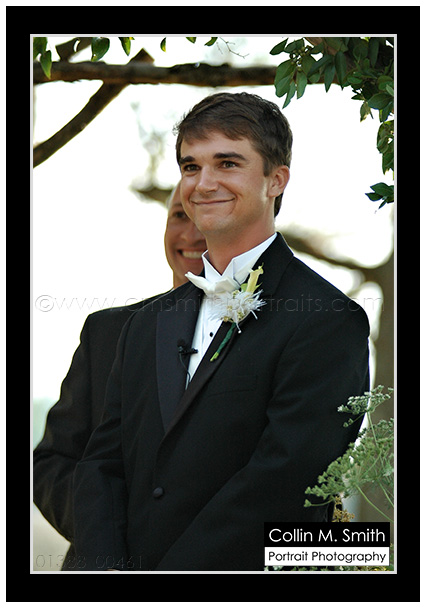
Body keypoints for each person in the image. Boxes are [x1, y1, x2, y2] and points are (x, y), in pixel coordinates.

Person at [73, 92, 370, 572]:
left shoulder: (328, 319)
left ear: (276, 180)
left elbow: (285, 480)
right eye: (191, 167)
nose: (203, 183)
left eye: (227, 163)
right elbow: (102, 464)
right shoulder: (145, 324)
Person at [33, 185, 206, 571]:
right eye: (180, 215)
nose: (192, 234)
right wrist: (106, 540)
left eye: (204, 218)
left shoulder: (268, 333)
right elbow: (51, 462)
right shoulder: (107, 331)